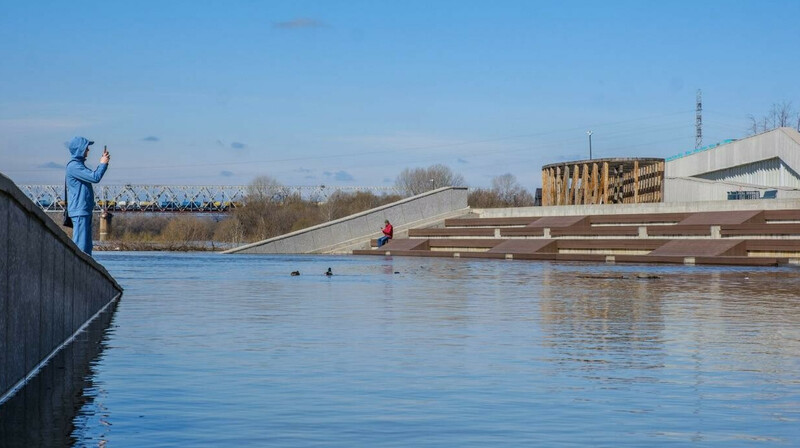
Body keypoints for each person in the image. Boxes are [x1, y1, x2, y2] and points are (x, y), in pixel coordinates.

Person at [66, 136, 110, 256]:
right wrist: (103, 164)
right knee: (81, 247)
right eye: (86, 148)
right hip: (80, 211)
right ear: (79, 149)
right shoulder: (74, 166)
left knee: (87, 247)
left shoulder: (78, 165)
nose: (88, 150)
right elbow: (95, 177)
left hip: (84, 210)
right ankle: (77, 270)